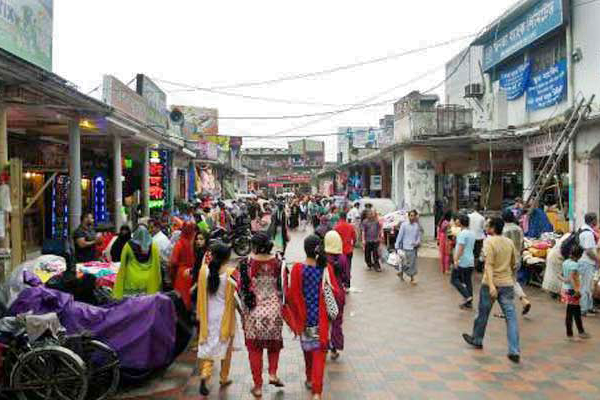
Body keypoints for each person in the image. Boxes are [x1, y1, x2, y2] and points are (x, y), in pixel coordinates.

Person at [286, 235, 342, 400]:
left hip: (305, 319)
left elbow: (292, 295)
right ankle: (317, 392)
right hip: (321, 320)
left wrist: (295, 317)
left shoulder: (298, 269)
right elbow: (336, 293)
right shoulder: (326, 268)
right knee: (319, 354)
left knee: (308, 350)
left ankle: (309, 378)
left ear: (305, 249)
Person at [462, 217, 521, 363]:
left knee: (483, 314)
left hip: (490, 284)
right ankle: (514, 350)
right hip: (507, 284)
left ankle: (477, 339)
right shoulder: (509, 242)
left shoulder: (489, 242)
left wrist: (492, 285)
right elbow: (514, 263)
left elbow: (488, 265)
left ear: (493, 228)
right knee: (511, 318)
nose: (486, 227)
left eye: (488, 225)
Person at [238, 233, 284, 398]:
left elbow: (239, 287)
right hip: (274, 310)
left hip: (253, 313)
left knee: (254, 349)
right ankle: (272, 373)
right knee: (274, 345)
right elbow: (284, 285)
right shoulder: (278, 262)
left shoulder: (246, 263)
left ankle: (258, 386)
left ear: (255, 246)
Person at [197, 241, 240, 397]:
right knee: (225, 347)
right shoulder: (231, 273)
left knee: (209, 347)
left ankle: (205, 374)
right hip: (224, 316)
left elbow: (200, 293)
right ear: (227, 258)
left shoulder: (203, 271)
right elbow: (237, 297)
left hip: (208, 315)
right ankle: (223, 377)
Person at [113, 225, 162, 299]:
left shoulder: (128, 245)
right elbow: (157, 264)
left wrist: (119, 285)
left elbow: (123, 264)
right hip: (149, 281)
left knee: (133, 304)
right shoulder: (153, 246)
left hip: (132, 281)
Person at [324, 231, 348, 360]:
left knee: (324, 321)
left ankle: (323, 347)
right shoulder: (342, 258)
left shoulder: (322, 257)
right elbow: (346, 277)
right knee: (336, 321)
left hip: (325, 292)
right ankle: (334, 348)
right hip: (338, 292)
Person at [502, 210, 531, 315]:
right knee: (513, 281)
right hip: (517, 258)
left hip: (506, 260)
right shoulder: (518, 229)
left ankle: (509, 309)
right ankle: (524, 300)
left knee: (506, 284)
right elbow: (522, 244)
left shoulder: (504, 230)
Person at [561, 244, 591, 341]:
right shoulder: (574, 265)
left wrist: (564, 280)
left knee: (575, 311)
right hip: (572, 291)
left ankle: (581, 331)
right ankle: (570, 334)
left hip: (566, 289)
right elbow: (572, 278)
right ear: (579, 255)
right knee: (571, 312)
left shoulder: (565, 262)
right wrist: (577, 291)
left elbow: (561, 275)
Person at [170, 221, 197, 311]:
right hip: (193, 272)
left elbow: (173, 262)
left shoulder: (179, 244)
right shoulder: (195, 243)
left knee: (181, 299)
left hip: (182, 274)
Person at [451, 214, 475, 309]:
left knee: (454, 279)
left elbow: (460, 248)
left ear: (460, 222)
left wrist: (456, 260)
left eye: (458, 220)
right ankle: (469, 302)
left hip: (462, 261)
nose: (456, 221)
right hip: (470, 260)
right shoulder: (471, 233)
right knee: (468, 281)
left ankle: (467, 296)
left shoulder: (462, 234)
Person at [578, 212, 598, 316]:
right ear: (593, 220)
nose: (597, 221)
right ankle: (583, 309)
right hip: (586, 262)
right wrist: (598, 260)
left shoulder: (582, 229)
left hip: (584, 261)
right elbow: (589, 251)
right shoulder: (588, 234)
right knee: (585, 287)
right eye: (596, 219)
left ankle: (589, 307)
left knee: (588, 286)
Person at [395, 210, 422, 284]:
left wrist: (417, 242)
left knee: (412, 263)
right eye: (411, 215)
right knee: (405, 263)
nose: (412, 217)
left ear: (415, 217)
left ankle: (411, 278)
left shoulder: (416, 225)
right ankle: (402, 273)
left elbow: (418, 236)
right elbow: (400, 236)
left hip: (413, 247)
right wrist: (397, 246)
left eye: (413, 216)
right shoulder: (404, 225)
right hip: (405, 247)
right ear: (408, 216)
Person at [334, 212, 356, 289]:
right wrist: (352, 245)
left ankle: (341, 283)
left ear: (339, 217)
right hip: (348, 250)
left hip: (339, 251)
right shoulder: (350, 226)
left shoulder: (336, 227)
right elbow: (354, 238)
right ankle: (347, 284)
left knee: (339, 268)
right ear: (346, 217)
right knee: (348, 267)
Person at [468, 204, 486, 272]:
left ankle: (470, 266)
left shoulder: (469, 216)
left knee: (470, 252)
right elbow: (484, 228)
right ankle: (476, 266)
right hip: (478, 237)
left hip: (470, 237)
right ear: (480, 210)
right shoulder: (482, 218)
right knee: (477, 253)